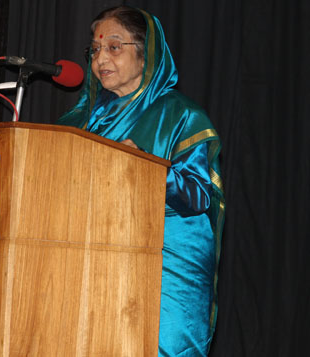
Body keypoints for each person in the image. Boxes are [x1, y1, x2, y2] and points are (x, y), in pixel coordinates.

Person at [57, 6, 225, 356]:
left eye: (114, 47)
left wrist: (146, 167)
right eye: (95, 49)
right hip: (87, 261)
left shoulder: (182, 116)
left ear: (147, 53)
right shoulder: (76, 124)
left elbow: (199, 197)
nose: (101, 57)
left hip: (165, 268)